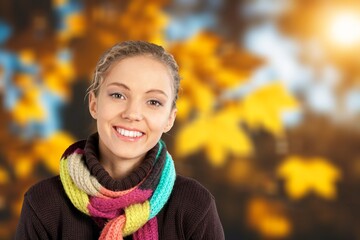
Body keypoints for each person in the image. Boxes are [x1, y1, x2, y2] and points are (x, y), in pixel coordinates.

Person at [15, 41, 225, 240]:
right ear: (94, 104)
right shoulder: (43, 204)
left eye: (153, 101)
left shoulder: (195, 206)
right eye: (118, 95)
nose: (132, 113)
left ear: (170, 119)